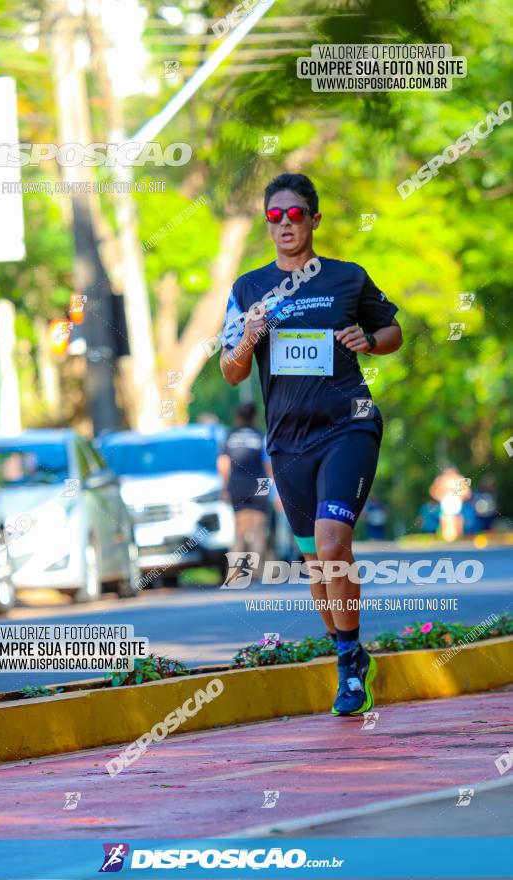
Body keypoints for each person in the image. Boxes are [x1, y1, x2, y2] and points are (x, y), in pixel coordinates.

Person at [219, 173, 402, 716]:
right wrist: (250, 334)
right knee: (316, 566)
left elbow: (393, 331)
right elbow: (231, 372)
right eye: (274, 216)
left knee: (330, 541)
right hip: (288, 443)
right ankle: (350, 656)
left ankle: (348, 666)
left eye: (295, 214)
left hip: (350, 424)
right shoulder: (248, 289)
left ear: (314, 220)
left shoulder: (347, 278)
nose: (284, 225)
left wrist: (367, 341)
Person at [218, 401, 271, 572]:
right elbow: (268, 464)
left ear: (237, 416)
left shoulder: (230, 436)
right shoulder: (260, 435)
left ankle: (235, 571)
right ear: (254, 417)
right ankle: (256, 571)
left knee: (239, 530)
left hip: (236, 485)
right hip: (259, 485)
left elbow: (223, 462)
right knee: (258, 529)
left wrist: (225, 487)